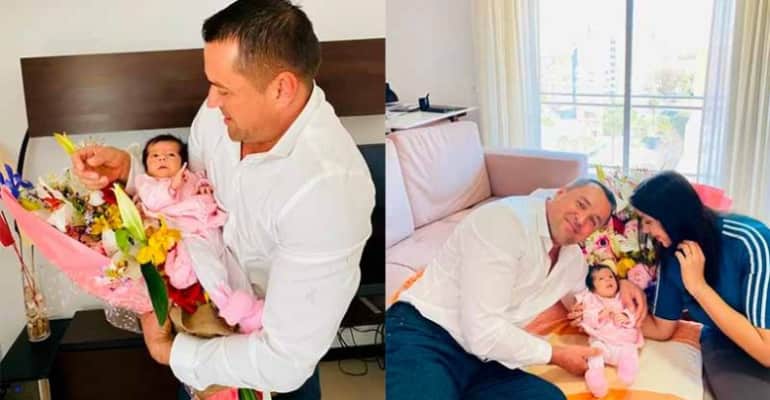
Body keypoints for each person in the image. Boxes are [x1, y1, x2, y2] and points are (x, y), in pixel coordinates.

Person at [70, 1, 375, 398]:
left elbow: (284, 361)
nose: (212, 102)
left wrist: (171, 352)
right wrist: (132, 175)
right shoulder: (219, 117)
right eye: (211, 84)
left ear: (282, 88)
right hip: (198, 336)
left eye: (225, 90)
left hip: (263, 373)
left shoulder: (329, 190)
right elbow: (193, 196)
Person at [386, 179, 647, 399]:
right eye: (581, 204)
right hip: (428, 335)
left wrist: (620, 287)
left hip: (486, 360)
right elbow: (483, 332)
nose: (581, 220)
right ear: (560, 193)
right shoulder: (504, 222)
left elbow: (589, 299)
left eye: (593, 221)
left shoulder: (571, 260)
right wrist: (556, 354)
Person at [628, 171, 770, 399]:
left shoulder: (750, 240)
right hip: (724, 341)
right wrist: (611, 306)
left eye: (648, 221)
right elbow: (661, 329)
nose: (644, 230)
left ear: (672, 215)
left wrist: (699, 287)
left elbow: (766, 351)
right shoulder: (672, 255)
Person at [137, 134, 263, 333]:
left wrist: (203, 188)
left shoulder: (190, 176)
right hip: (188, 234)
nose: (162, 159)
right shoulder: (147, 183)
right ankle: (226, 302)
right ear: (146, 164)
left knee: (230, 265)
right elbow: (153, 201)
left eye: (170, 155)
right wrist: (172, 186)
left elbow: (202, 190)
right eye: (155, 156)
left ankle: (252, 314)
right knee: (209, 268)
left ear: (182, 161)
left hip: (209, 228)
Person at [577, 264, 644, 397]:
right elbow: (586, 316)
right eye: (601, 279)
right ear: (592, 288)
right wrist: (600, 313)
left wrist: (625, 316)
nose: (608, 280)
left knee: (630, 350)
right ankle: (595, 376)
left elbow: (633, 312)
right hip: (603, 342)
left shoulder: (622, 297)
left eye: (610, 277)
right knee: (595, 351)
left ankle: (627, 370)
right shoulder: (591, 299)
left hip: (622, 343)